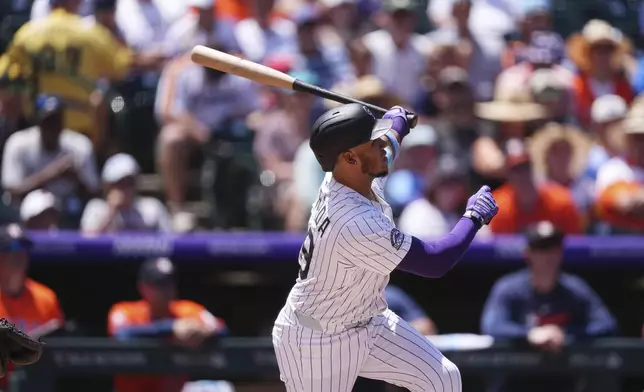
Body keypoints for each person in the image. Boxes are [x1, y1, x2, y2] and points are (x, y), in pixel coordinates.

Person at [272, 103, 499, 392]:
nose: (382, 146)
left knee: (442, 378)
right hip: (316, 340)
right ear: (349, 156)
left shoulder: (352, 174)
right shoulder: (354, 222)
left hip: (369, 321)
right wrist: (473, 217)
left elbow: (388, 145)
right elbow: (435, 262)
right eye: (373, 142)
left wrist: (397, 123)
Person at [480, 221, 617, 392]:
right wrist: (530, 335)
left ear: (561, 252)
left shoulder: (575, 289)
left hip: (563, 382)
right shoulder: (509, 288)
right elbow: (491, 326)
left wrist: (565, 334)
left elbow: (606, 324)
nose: (548, 255)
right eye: (541, 248)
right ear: (528, 253)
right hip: (515, 382)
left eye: (553, 247)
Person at [108, 257, 228, 392]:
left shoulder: (188, 310)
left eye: (170, 282)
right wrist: (171, 328)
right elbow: (122, 334)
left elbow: (222, 329)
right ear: (143, 287)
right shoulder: (125, 310)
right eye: (159, 284)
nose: (166, 289)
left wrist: (204, 331)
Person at [81, 153, 171, 233]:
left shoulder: (152, 208)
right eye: (119, 183)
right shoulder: (96, 208)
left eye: (129, 182)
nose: (125, 188)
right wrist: (111, 211)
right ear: (107, 186)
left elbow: (170, 242)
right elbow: (86, 244)